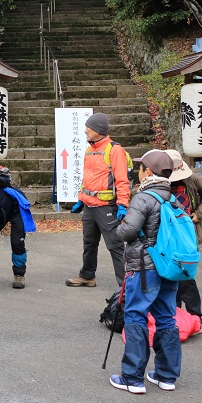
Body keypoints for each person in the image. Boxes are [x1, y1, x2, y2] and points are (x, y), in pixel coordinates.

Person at [110, 149, 182, 394]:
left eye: (140, 168)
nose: (138, 172)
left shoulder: (143, 198)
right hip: (169, 268)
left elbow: (128, 232)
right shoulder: (173, 199)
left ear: (148, 172)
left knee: (136, 316)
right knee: (166, 318)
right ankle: (166, 376)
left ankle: (132, 378)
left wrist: (119, 229)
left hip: (144, 268)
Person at [66, 113, 131, 288]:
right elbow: (86, 178)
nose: (86, 130)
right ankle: (87, 276)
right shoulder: (90, 150)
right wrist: (81, 199)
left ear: (98, 130)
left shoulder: (115, 150)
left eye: (89, 127)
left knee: (115, 246)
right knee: (89, 243)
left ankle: (126, 285)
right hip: (89, 206)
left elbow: (122, 180)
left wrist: (123, 204)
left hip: (106, 207)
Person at [166, 149, 202, 320]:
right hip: (167, 235)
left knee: (185, 276)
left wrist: (199, 214)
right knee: (170, 275)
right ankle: (174, 314)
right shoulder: (160, 182)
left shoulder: (193, 180)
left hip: (187, 233)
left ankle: (194, 315)